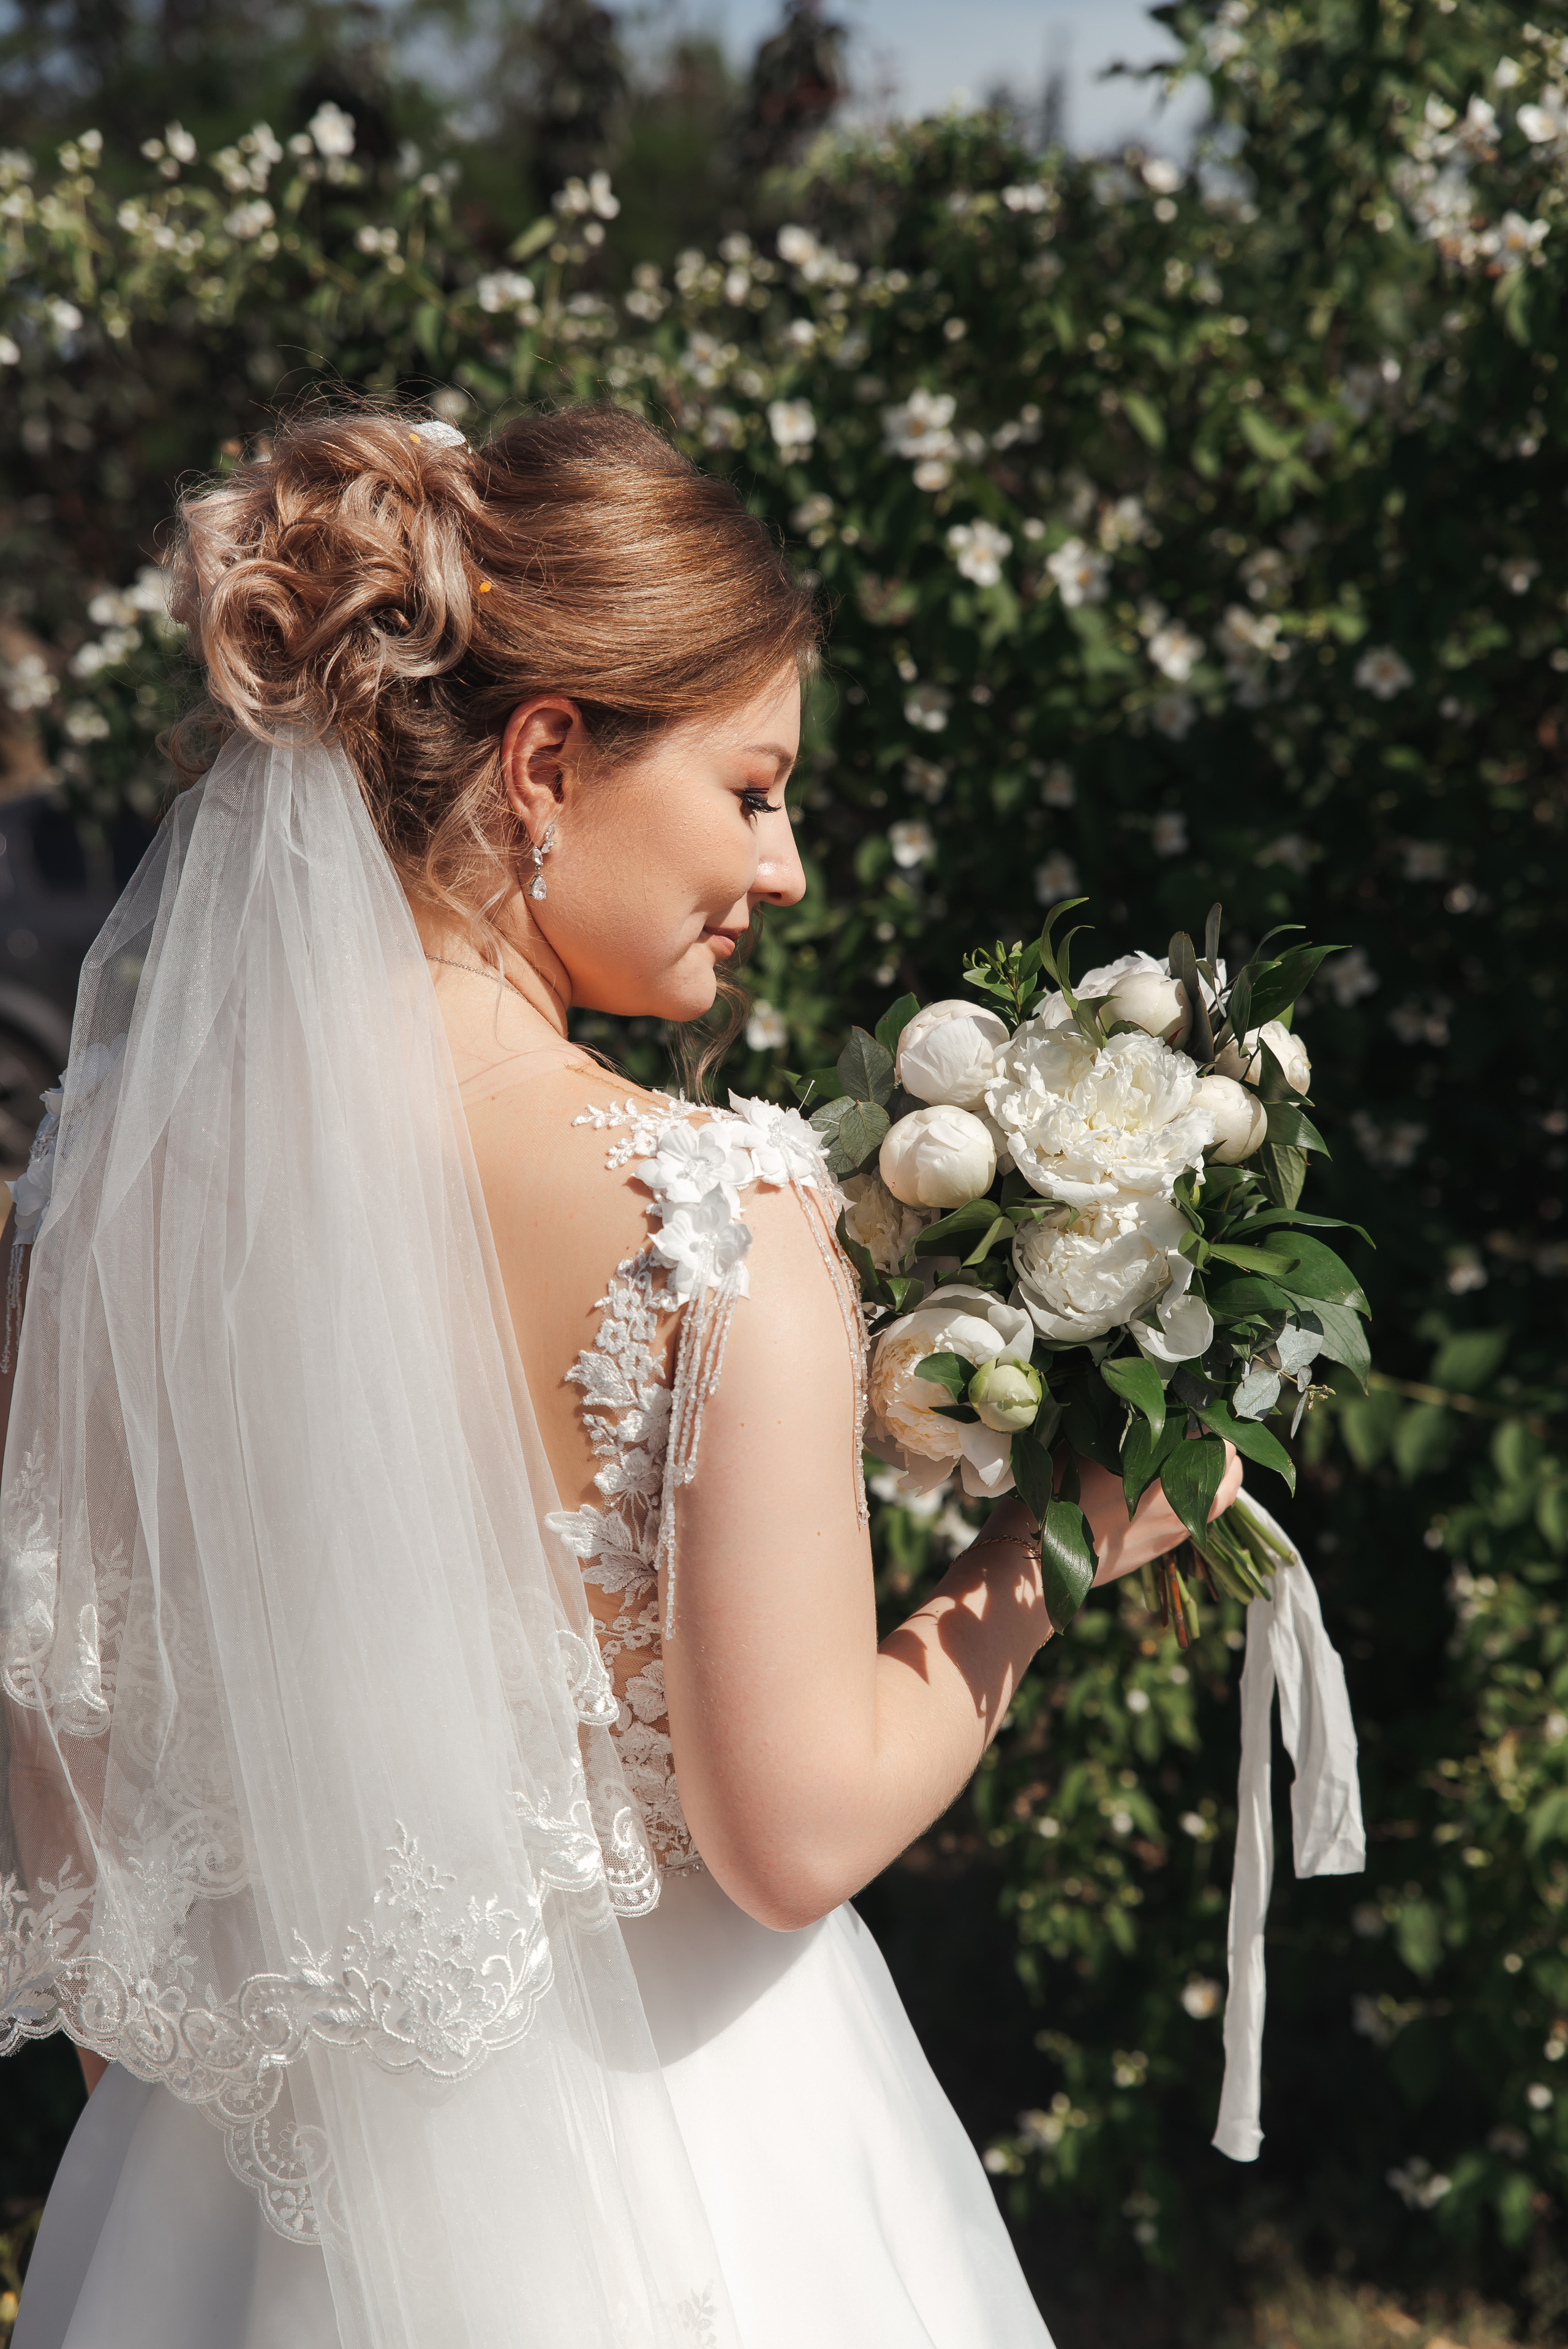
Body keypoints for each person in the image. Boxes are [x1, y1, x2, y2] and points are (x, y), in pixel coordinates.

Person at [1, 404, 1241, 2349]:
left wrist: (222, 2188)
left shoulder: (99, 1200)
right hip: (686, 2178)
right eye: (754, 790)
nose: (793, 866)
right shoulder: (715, 1213)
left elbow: (67, 1821)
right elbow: (795, 1828)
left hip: (221, 2188)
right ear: (552, 758)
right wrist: (1056, 1553)